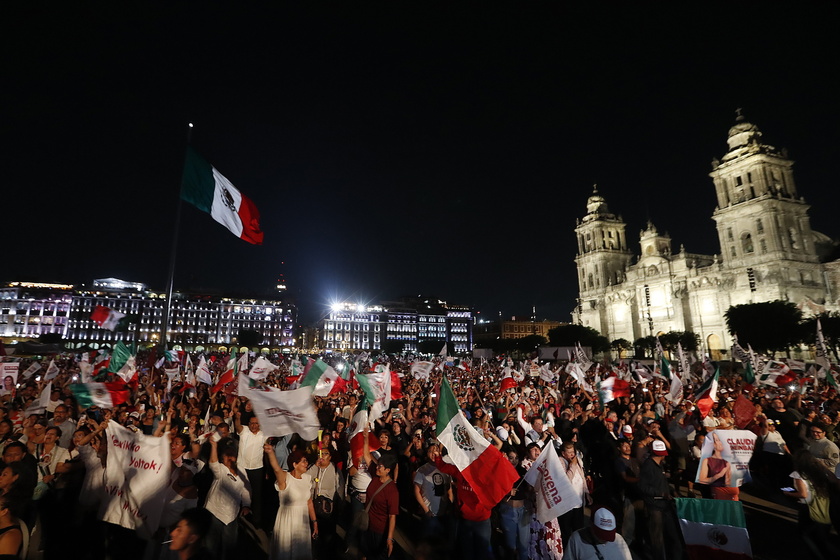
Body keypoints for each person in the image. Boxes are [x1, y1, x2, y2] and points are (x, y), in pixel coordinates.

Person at [782, 449, 840, 559]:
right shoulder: (818, 471)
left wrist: (788, 494)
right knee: (822, 536)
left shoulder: (798, 474)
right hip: (823, 506)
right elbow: (833, 480)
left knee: (805, 533)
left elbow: (803, 494)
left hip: (807, 507)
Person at [264, 445, 317, 560]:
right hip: (287, 521)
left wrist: (315, 522)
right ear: (294, 464)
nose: (306, 463)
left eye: (306, 461)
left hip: (302, 523)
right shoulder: (285, 478)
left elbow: (309, 502)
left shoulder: (307, 479)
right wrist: (270, 453)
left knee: (301, 551)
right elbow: (276, 468)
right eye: (303, 461)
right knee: (286, 551)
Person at [204, 436, 251, 560]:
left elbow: (246, 490)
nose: (230, 457)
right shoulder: (220, 469)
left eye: (232, 455)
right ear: (222, 458)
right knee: (210, 546)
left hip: (231, 515)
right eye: (227, 455)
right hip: (214, 512)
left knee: (229, 549)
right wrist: (214, 446)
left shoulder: (242, 471)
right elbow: (212, 463)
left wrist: (246, 505)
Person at [361, 428, 399, 560]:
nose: (377, 467)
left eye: (380, 467)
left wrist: (389, 538)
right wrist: (366, 439)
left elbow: (392, 516)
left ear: (388, 470)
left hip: (379, 532)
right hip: (367, 526)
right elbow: (366, 456)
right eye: (378, 465)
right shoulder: (375, 476)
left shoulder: (392, 491)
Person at [566, 507, 632, 560]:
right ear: (591, 524)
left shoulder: (619, 540)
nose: (605, 540)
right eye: (601, 535)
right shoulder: (577, 539)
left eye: (609, 534)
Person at [697, 432, 737, 500]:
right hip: (717, 493)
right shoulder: (707, 460)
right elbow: (703, 480)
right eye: (716, 441)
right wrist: (719, 475)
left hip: (732, 493)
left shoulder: (729, 458)